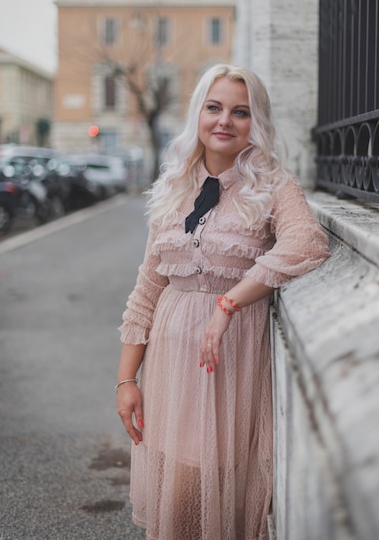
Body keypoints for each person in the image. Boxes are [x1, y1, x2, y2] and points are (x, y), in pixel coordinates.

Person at [116, 64, 330, 539]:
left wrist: (228, 302)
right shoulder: (172, 187)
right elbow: (147, 290)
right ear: (198, 113)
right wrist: (126, 379)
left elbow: (308, 244)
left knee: (204, 491)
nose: (224, 121)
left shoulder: (273, 184)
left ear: (258, 123)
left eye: (241, 112)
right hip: (169, 366)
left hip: (227, 364)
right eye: (214, 108)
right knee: (175, 488)